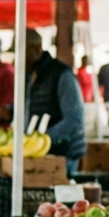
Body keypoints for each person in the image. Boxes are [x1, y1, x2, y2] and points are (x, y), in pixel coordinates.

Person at [24, 29, 85, 174]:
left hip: (64, 154)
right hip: (42, 154)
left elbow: (74, 119)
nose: (17, 59)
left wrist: (42, 139)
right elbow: (32, 106)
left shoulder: (62, 75)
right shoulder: (30, 75)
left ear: (36, 49)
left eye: (23, 52)